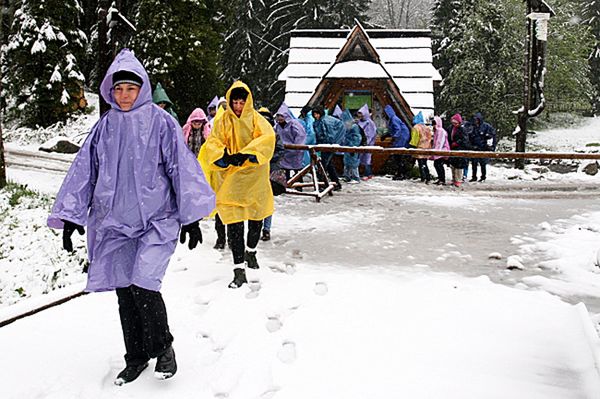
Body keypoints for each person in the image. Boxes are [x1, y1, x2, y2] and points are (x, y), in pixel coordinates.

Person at [47, 49, 216, 385]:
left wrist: (191, 215)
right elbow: (85, 172)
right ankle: (135, 357)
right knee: (125, 290)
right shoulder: (104, 127)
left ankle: (163, 347)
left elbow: (180, 168)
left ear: (142, 89)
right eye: (119, 88)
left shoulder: (161, 123)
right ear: (111, 89)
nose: (124, 95)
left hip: (157, 221)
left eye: (131, 89)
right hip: (114, 224)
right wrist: (71, 216)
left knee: (144, 283)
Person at [204, 81, 275, 288]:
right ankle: (238, 270)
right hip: (232, 179)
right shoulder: (222, 121)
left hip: (254, 178)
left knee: (256, 219)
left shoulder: (257, 120)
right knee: (234, 224)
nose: (237, 106)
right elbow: (214, 142)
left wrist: (247, 154)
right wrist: (224, 156)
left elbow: (267, 139)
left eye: (241, 102)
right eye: (234, 102)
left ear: (247, 101)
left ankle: (251, 251)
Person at [258, 107, 285, 241]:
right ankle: (260, 228)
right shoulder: (255, 133)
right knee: (262, 200)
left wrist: (267, 157)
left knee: (265, 200)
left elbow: (280, 150)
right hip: (258, 169)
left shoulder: (274, 134)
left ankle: (265, 228)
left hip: (268, 169)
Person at [312, 105, 345, 191]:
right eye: (314, 114)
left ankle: (323, 183)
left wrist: (330, 141)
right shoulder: (319, 121)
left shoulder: (325, 121)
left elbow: (328, 134)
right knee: (329, 164)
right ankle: (336, 182)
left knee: (323, 164)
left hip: (328, 144)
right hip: (324, 145)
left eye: (317, 114)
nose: (316, 116)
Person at [275, 102, 307, 180]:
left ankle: (299, 186)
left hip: (295, 151)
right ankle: (288, 185)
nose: (280, 118)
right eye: (278, 116)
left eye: (281, 116)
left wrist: (297, 147)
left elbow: (300, 136)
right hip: (284, 151)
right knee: (285, 170)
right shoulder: (277, 126)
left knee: (297, 170)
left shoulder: (294, 125)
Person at [382, 105, 411, 180]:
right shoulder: (392, 119)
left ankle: (400, 173)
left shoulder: (394, 119)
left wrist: (393, 137)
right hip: (400, 138)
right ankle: (400, 173)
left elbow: (397, 130)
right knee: (398, 156)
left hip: (402, 138)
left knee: (398, 155)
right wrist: (387, 135)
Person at [468, 112, 496, 182]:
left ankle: (483, 177)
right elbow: (469, 136)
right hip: (475, 147)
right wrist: (471, 146)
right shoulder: (472, 127)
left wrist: (490, 145)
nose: (476, 121)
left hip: (483, 148)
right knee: (474, 163)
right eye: (475, 119)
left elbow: (492, 136)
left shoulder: (486, 126)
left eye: (477, 119)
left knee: (483, 163)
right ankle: (474, 176)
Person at [409, 111, 432, 183]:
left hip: (419, 147)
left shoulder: (416, 128)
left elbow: (414, 139)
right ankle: (427, 177)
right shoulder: (427, 127)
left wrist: (412, 146)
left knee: (420, 163)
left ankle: (423, 177)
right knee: (425, 163)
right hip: (427, 147)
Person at [448, 113, 469, 187]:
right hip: (452, 148)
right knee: (452, 165)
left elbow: (465, 139)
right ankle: (454, 179)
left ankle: (458, 180)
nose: (454, 124)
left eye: (456, 123)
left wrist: (457, 143)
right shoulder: (450, 128)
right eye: (453, 123)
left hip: (460, 148)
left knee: (459, 166)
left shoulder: (462, 129)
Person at [357, 104, 377, 180]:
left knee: (367, 159)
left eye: (361, 114)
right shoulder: (360, 122)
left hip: (367, 144)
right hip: (361, 143)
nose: (360, 116)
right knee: (362, 159)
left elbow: (370, 134)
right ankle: (365, 173)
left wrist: (366, 142)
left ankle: (368, 174)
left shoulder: (369, 123)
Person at [341, 109, 362, 183]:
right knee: (347, 162)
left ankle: (355, 178)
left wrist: (353, 146)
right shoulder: (349, 126)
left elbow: (357, 138)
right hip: (348, 147)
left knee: (353, 163)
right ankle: (347, 176)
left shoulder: (354, 127)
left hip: (352, 147)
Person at [431, 116, 450, 185]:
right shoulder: (436, 131)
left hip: (441, 150)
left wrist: (437, 151)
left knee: (438, 164)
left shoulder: (441, 131)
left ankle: (442, 179)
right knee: (437, 164)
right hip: (438, 150)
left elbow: (440, 142)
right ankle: (440, 178)